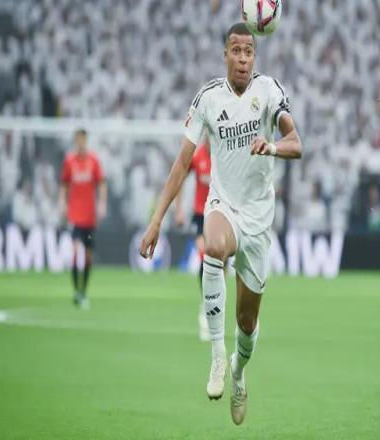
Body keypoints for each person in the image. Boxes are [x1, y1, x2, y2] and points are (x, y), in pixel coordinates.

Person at [139, 23, 302, 425]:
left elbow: (296, 143)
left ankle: (238, 372)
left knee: (247, 323)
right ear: (225, 55)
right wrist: (156, 219)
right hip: (223, 204)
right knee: (212, 246)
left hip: (258, 217)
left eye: (249, 51)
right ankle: (216, 355)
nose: (243, 58)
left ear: (254, 57)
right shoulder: (208, 99)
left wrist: (272, 146)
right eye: (236, 50)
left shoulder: (270, 91)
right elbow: (182, 163)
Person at [60, 129, 107, 309]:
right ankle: (76, 291)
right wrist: (62, 203)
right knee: (74, 251)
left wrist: (102, 204)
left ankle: (83, 291)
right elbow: (64, 184)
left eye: (82, 140)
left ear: (86, 140)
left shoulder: (93, 161)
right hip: (75, 215)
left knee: (87, 256)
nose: (80, 143)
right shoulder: (69, 161)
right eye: (78, 140)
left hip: (89, 216)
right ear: (75, 141)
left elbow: (101, 183)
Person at [175, 136, 212, 341]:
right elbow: (180, 177)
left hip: (220, 215)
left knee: (220, 264)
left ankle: (214, 300)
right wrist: (179, 209)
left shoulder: (224, 156)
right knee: (205, 258)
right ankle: (205, 302)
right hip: (200, 215)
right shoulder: (198, 157)